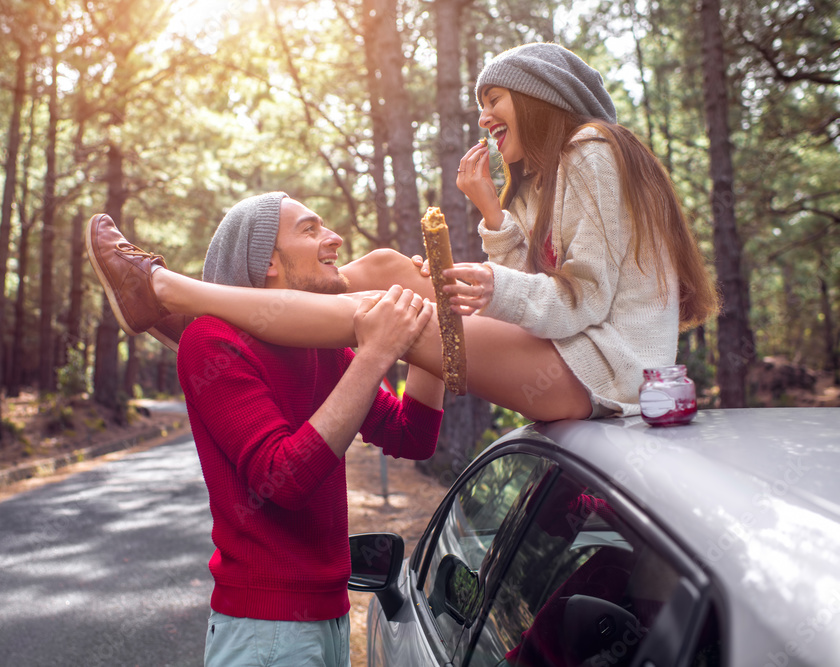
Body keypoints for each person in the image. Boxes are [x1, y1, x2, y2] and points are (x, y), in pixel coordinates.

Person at [88, 42, 718, 424]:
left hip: (602, 374)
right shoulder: (568, 168)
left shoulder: (590, 151)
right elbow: (552, 284)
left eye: (496, 97)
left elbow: (579, 299)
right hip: (580, 357)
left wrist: (493, 285)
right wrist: (491, 217)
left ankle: (170, 293)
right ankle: (190, 309)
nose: (483, 114)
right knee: (389, 268)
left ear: (540, 97)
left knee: (383, 312)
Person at [86, 193, 444, 667]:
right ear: (267, 261)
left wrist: (433, 317)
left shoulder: (324, 346)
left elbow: (410, 435)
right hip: (265, 634)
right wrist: (378, 353)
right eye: (311, 229)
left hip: (332, 618)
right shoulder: (210, 341)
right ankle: (158, 290)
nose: (334, 239)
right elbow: (285, 477)